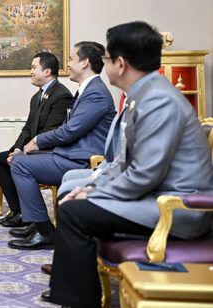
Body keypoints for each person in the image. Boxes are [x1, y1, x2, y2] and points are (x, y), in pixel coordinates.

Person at [46, 21, 213, 308]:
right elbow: (122, 163)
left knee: (74, 213)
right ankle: (74, 288)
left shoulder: (158, 101)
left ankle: (78, 301)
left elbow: (144, 174)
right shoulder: (143, 95)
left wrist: (93, 194)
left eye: (107, 59)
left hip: (176, 207)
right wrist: (91, 187)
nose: (105, 65)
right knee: (73, 202)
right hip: (153, 195)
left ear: (121, 64)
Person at [7, 42, 115, 250]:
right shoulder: (87, 90)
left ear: (84, 63)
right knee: (19, 159)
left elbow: (70, 130)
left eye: (72, 59)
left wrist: (37, 142)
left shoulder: (95, 93)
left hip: (83, 159)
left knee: (20, 164)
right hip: (72, 153)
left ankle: (44, 231)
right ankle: (36, 224)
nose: (68, 64)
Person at [0, 52, 73, 227]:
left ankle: (34, 219)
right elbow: (28, 128)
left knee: (17, 161)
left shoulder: (61, 95)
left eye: (34, 67)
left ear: (47, 71)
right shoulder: (37, 96)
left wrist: (23, 152)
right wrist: (16, 149)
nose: (30, 71)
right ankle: (18, 211)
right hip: (32, 147)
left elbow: (51, 132)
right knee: (0, 160)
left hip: (49, 151)